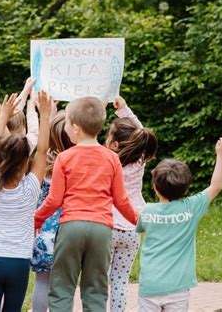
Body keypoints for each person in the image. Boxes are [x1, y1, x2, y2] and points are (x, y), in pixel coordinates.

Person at [34, 96, 138, 311]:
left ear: (75, 128)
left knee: (62, 288)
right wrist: (139, 221)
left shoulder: (64, 158)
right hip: (101, 229)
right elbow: (121, 200)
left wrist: (36, 220)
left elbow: (54, 200)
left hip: (71, 227)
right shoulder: (112, 158)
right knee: (96, 290)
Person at [136, 138, 222, 312]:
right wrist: (221, 155)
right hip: (178, 287)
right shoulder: (191, 208)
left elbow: (139, 226)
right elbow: (216, 186)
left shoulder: (147, 211)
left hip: (149, 286)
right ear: (186, 187)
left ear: (155, 187)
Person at [0, 91, 51, 312]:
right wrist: (45, 115)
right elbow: (42, 151)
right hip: (19, 261)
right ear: (25, 162)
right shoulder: (31, 189)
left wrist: (2, 116)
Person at [105, 96, 158, 312]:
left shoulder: (108, 160)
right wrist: (125, 109)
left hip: (107, 227)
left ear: (115, 143)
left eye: (108, 135)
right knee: (120, 280)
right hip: (132, 228)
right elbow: (141, 131)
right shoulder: (140, 159)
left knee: (100, 280)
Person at [30, 110, 74, 312]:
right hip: (69, 229)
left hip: (43, 229)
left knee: (41, 282)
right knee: (65, 285)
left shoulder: (44, 160)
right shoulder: (76, 161)